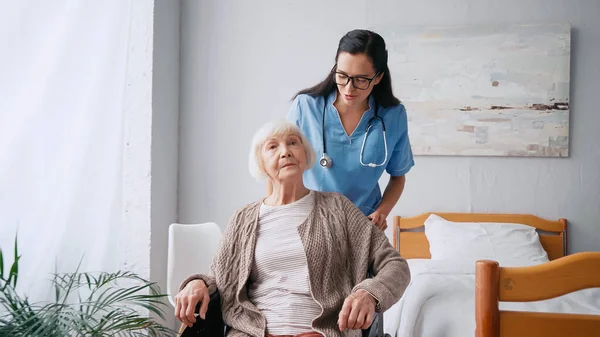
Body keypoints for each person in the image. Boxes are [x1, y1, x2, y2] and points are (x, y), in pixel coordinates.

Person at [175, 120, 410, 337]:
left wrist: (369, 293)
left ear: (305, 154)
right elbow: (220, 276)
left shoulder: (338, 208)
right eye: (272, 147)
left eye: (293, 142)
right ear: (261, 164)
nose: (285, 151)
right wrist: (197, 283)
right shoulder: (243, 218)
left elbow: (395, 265)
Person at [271, 29, 414, 231]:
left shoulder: (393, 115)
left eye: (361, 80)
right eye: (342, 75)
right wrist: (277, 217)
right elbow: (277, 167)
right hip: (309, 223)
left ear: (378, 78)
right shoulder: (306, 107)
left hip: (363, 226)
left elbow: (398, 176)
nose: (348, 88)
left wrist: (382, 212)